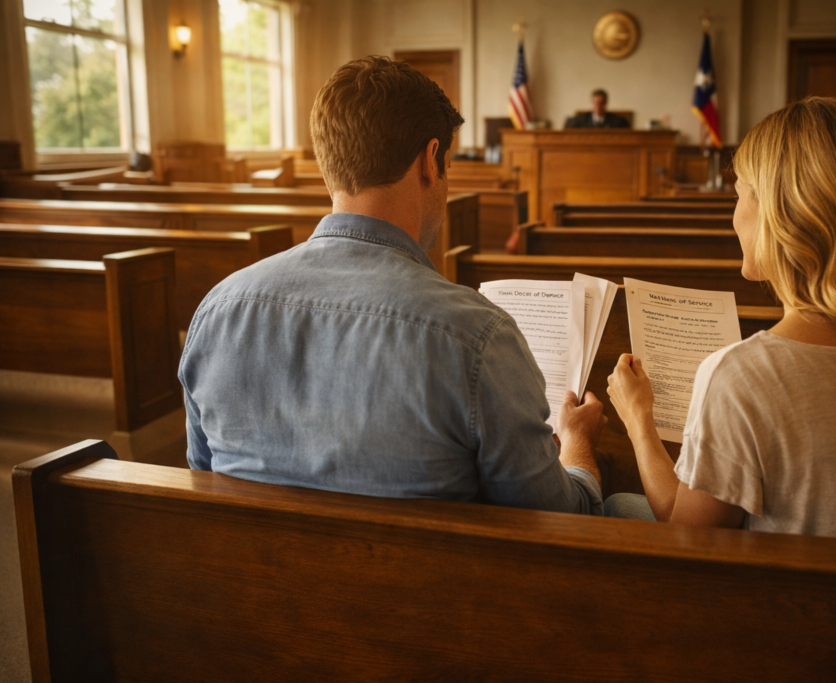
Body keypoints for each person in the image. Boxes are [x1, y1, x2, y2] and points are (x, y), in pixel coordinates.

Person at [179, 56, 607, 514]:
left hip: (251, 579)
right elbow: (555, 521)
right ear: (430, 161)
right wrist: (578, 446)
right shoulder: (477, 337)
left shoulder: (217, 309)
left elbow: (204, 481)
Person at [605, 97, 836, 547]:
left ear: (780, 215)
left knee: (612, 508)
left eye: (740, 194)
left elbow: (688, 539)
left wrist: (638, 420)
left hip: (800, 611)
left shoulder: (743, 375)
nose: (735, 215)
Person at [564, 89, 630, 129]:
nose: (598, 106)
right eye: (596, 103)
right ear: (591, 103)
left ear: (605, 104)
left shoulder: (619, 122)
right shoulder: (579, 121)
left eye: (601, 103)